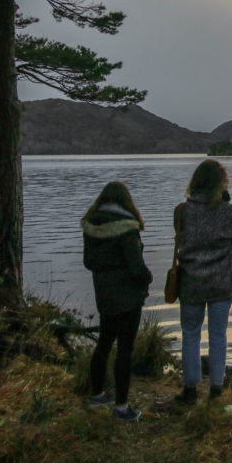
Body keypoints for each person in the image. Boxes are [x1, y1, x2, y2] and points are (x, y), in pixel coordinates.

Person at [81, 181, 153, 422]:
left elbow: (89, 263)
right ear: (126, 201)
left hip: (104, 294)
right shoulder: (127, 230)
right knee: (125, 348)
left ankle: (97, 394)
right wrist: (148, 277)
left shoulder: (91, 227)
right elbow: (136, 268)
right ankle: (122, 407)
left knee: (103, 343)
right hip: (129, 297)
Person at [172, 159, 232, 404]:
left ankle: (190, 389)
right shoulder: (230, 211)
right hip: (222, 282)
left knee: (190, 333)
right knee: (218, 334)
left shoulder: (182, 211)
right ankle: (216, 388)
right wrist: (226, 200)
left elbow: (180, 238)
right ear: (221, 183)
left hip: (191, 281)